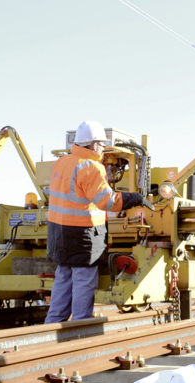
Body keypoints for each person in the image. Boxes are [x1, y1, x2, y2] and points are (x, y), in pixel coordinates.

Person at [45, 121, 153, 322]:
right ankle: (80, 329)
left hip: (57, 233)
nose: (103, 149)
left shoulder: (60, 163)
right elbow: (108, 201)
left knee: (63, 278)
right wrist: (135, 198)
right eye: (102, 144)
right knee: (83, 280)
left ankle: (51, 329)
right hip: (81, 235)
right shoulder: (91, 167)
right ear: (93, 145)